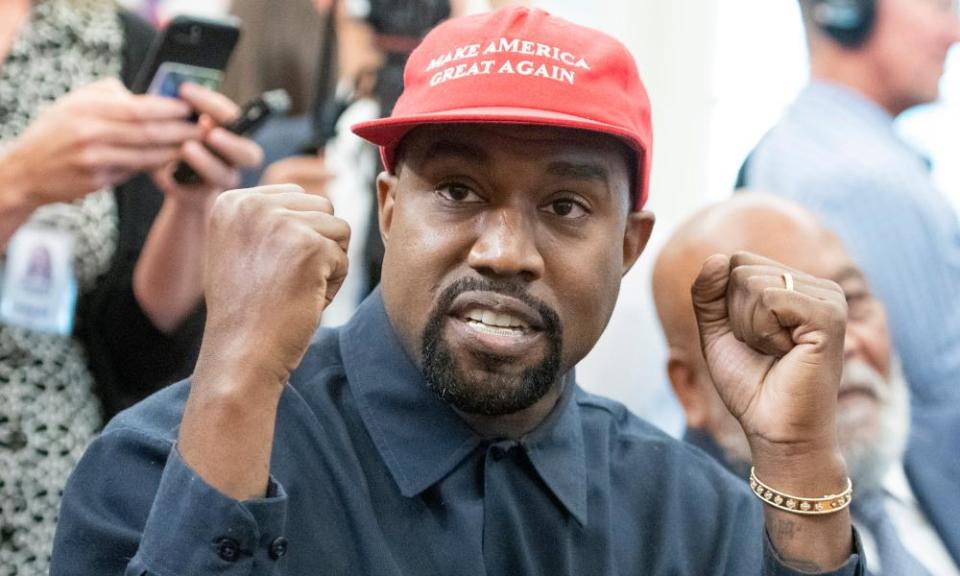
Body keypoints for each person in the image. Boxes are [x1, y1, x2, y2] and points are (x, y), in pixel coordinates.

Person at [52, 8, 865, 574]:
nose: (505, 253)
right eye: (457, 192)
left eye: (564, 207)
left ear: (628, 247)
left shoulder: (695, 517)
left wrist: (799, 467)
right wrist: (232, 376)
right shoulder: (162, 462)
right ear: (388, 207)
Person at [0, 1, 261, 572]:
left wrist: (190, 207)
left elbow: (133, 343)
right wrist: (17, 184)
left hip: (51, 474)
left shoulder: (113, 45)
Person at [652, 193, 960, 575]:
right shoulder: (668, 546)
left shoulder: (946, 451)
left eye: (852, 299)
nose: (841, 343)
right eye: (780, 324)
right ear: (690, 389)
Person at [739, 0, 960, 413]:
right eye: (940, 7)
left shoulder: (791, 148)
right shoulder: (865, 181)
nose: (954, 34)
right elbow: (940, 406)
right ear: (845, 10)